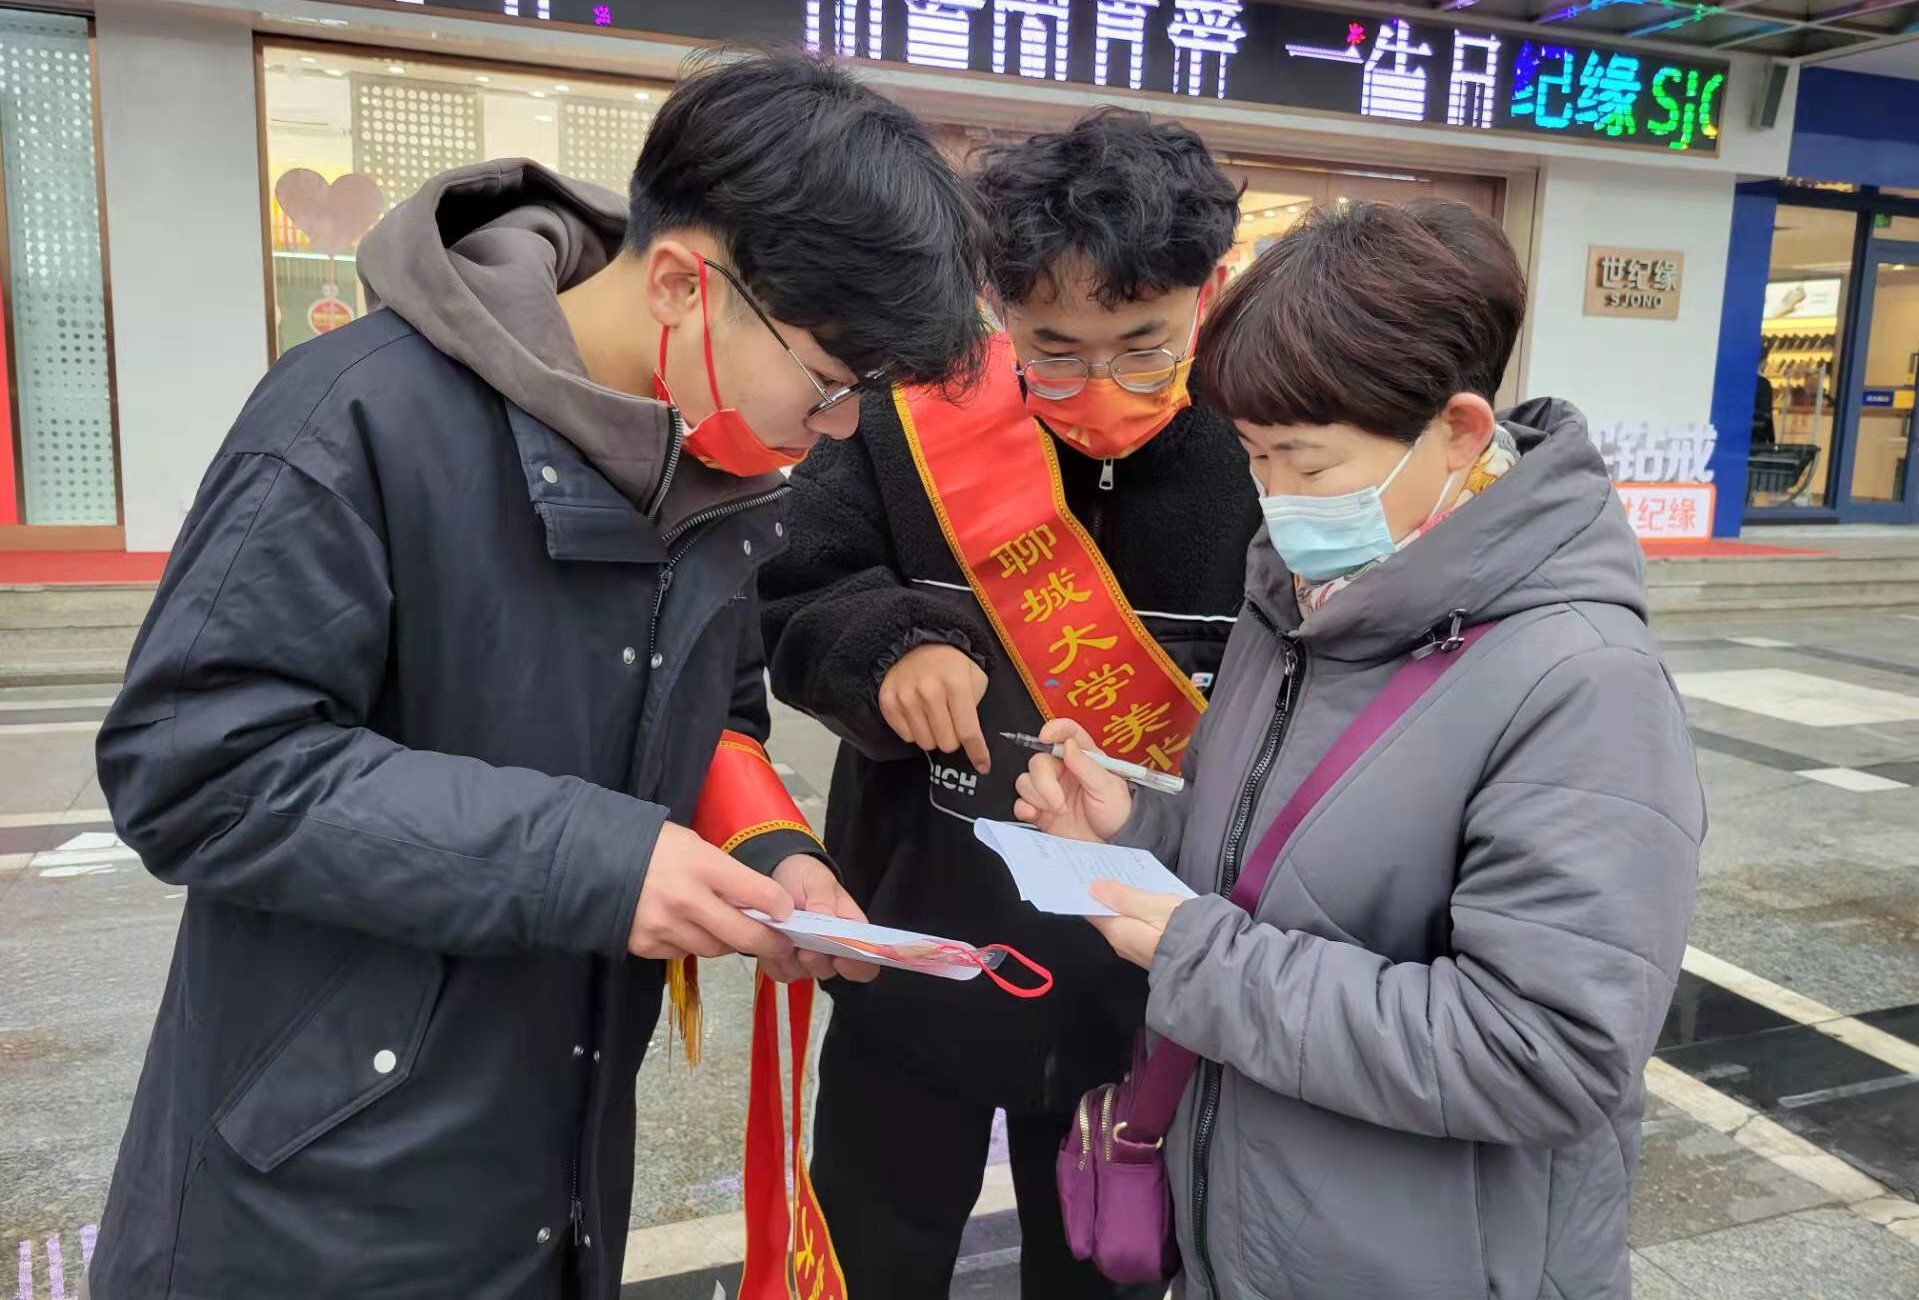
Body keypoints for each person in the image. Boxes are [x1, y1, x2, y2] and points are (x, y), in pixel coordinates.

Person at [85, 53, 985, 1299]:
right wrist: (599, 861)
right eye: (831, 386)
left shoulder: (710, 471)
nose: (832, 429)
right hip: (319, 1180)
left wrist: (774, 854)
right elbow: (198, 767)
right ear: (682, 284)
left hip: (553, 1142)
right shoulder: (352, 417)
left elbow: (715, 713)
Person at [1016, 199, 1704, 1300]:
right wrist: (1138, 824)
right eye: (1254, 459)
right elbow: (1281, 871)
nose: (1276, 501)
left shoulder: (1581, 684)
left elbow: (1544, 1052)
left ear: (1459, 433)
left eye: (1307, 463)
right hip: (1251, 1232)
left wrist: (1203, 961)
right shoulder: (1297, 602)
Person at [760, 109, 1258, 1298]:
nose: (1098, 386)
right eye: (1054, 350)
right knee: (872, 1252)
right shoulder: (907, 414)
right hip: (917, 948)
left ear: (1206, 291)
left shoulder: (1260, 443)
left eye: (1141, 345)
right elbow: (788, 585)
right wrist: (888, 644)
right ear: (995, 306)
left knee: (1099, 1264)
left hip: (1138, 982)